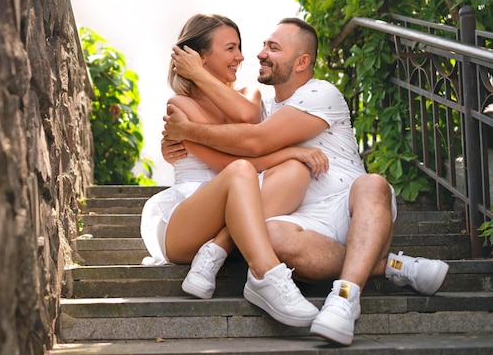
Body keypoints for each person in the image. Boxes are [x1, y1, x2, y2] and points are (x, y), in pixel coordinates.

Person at [163, 17, 450, 346]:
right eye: (261, 46)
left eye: (273, 48)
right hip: (300, 222)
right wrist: (181, 145)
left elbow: (253, 142)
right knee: (268, 233)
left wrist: (186, 132)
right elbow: (239, 143)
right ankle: (389, 266)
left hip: (354, 212)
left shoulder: (320, 93)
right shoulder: (266, 108)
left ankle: (344, 297)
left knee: (373, 183)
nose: (258, 54)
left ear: (302, 62)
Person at [140, 13, 331, 328]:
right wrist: (291, 150)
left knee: (296, 170)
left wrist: (293, 156)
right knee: (245, 170)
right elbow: (228, 165)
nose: (241, 57)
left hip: (238, 210)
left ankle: (217, 250)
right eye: (230, 48)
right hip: (185, 223)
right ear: (199, 57)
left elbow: (246, 114)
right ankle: (266, 274)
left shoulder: (249, 94)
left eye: (239, 47)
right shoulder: (180, 105)